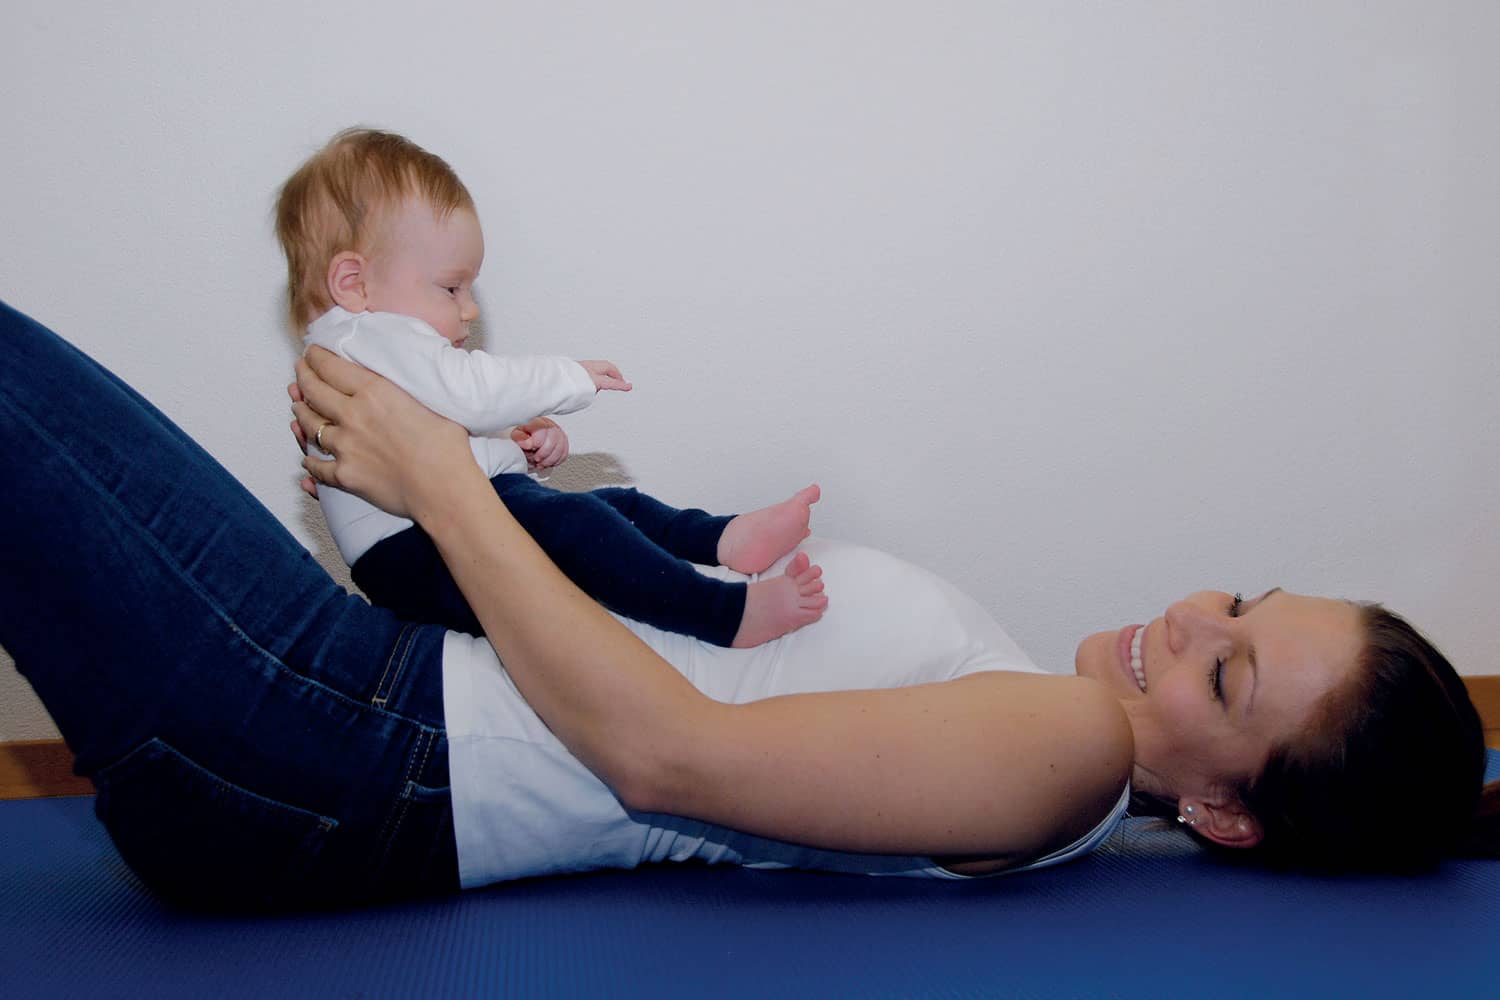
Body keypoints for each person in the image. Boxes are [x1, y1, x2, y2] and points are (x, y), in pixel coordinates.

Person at [0, 300, 1493, 911]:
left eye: (1225, 682)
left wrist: (440, 481)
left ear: (1229, 814)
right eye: (1235, 604)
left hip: (339, 747)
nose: (1187, 624)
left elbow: (673, 761)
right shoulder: (1035, 702)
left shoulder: (1072, 752)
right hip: (357, 705)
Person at [275, 128, 826, 648]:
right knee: (581, 527)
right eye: (451, 287)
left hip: (424, 537)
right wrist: (569, 377)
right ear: (353, 283)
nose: (468, 309)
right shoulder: (363, 334)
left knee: (613, 509)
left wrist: (516, 443)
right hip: (413, 556)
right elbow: (465, 394)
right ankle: (726, 616)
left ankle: (724, 539)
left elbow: (440, 436)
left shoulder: (360, 346)